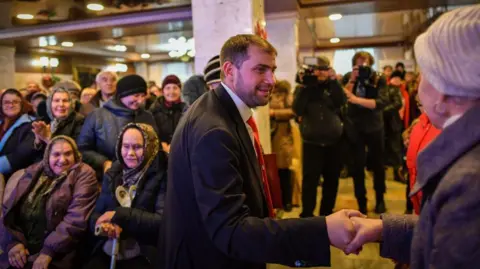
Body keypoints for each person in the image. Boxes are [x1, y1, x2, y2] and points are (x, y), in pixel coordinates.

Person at [164, 34, 364, 269]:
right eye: (260, 70)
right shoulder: (214, 131)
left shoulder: (222, 112)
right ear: (229, 70)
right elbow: (231, 230)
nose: (272, 79)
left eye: (272, 70)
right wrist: (323, 230)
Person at [345, 6, 480, 268]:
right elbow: (439, 227)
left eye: (424, 74)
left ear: (443, 93)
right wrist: (384, 229)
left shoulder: (468, 184)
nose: (418, 84)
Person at [0, 136, 99, 269]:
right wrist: (12, 242)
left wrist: (48, 251)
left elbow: (76, 219)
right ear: (47, 156)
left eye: (68, 154)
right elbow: (9, 210)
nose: (62, 160)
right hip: (22, 247)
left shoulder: (84, 174)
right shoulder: (34, 171)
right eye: (56, 154)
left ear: (76, 155)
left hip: (59, 253)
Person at [84, 123, 166, 269]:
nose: (130, 153)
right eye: (126, 146)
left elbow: (162, 222)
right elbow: (96, 215)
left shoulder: (162, 175)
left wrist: (119, 215)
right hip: (108, 248)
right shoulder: (113, 173)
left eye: (137, 147)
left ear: (150, 148)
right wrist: (102, 225)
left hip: (143, 252)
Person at [292, 57, 346, 217]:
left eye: (324, 69)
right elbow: (297, 109)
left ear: (329, 70)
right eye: (317, 69)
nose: (320, 72)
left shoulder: (333, 86)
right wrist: (305, 87)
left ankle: (326, 213)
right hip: (311, 142)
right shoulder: (305, 88)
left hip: (334, 141)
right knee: (310, 181)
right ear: (312, 70)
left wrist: (334, 81)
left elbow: (340, 102)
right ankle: (307, 213)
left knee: (332, 180)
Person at [77, 74, 157, 178]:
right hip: (108, 176)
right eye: (136, 95)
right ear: (122, 95)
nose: (140, 100)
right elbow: (83, 149)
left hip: (144, 177)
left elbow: (155, 145)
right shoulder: (98, 116)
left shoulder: (147, 116)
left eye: (143, 95)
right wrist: (103, 162)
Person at [342, 52, 389, 214]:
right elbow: (342, 97)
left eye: (365, 64)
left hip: (375, 126)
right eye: (358, 64)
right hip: (355, 127)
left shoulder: (378, 78)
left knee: (378, 165)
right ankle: (361, 201)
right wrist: (353, 79)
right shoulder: (349, 77)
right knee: (357, 166)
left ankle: (380, 199)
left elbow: (382, 102)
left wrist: (356, 100)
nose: (362, 67)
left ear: (371, 63)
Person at [269, 80, 295, 212]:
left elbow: (293, 111)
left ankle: (287, 201)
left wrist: (274, 113)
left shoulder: (284, 92)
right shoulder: (262, 91)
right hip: (266, 135)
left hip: (281, 137)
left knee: (283, 170)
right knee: (270, 171)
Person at [0, 89, 36, 179]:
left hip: (15, 178)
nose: (11, 105)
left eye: (15, 102)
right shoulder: (1, 122)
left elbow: (21, 155)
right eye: (6, 102)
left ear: (22, 104)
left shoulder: (31, 124)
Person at [150, 75, 187, 154]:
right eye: (168, 88)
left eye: (175, 88)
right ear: (163, 91)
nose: (172, 92)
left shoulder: (186, 110)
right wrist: (161, 144)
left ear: (180, 90)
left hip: (181, 151)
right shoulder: (154, 110)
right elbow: (151, 132)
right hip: (159, 153)